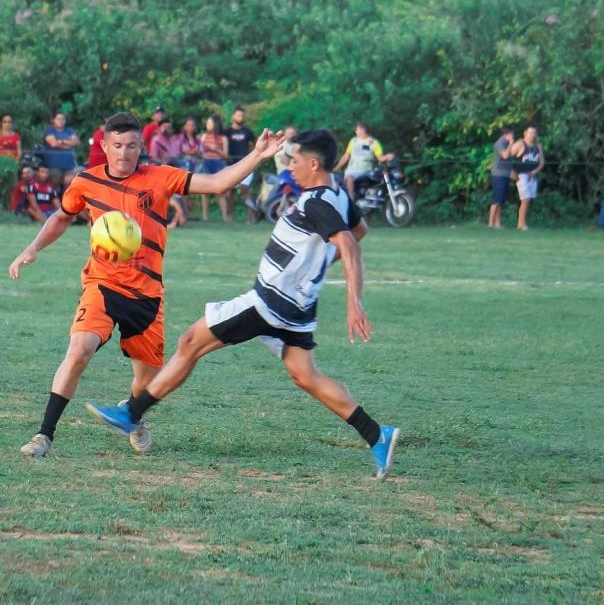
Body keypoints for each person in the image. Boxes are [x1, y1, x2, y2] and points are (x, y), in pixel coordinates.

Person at [86, 129, 400, 480]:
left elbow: (349, 243)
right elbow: (359, 232)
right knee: (305, 375)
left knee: (190, 342)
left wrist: (353, 301)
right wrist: (315, 266)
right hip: (298, 307)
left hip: (270, 302)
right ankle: (377, 434)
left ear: (314, 163)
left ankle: (132, 411)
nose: (290, 167)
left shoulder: (317, 202)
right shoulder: (339, 193)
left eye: (294, 161)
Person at [7, 112, 285, 459]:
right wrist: (32, 248)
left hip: (147, 295)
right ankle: (43, 436)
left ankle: (134, 417)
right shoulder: (86, 182)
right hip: (102, 285)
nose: (125, 153)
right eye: (118, 146)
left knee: (147, 384)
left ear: (142, 146)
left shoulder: (161, 178)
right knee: (79, 350)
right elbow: (62, 216)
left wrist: (257, 155)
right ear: (105, 146)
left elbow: (218, 184)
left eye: (132, 146)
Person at [335, 123, 393, 201]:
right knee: (349, 178)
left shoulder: (374, 142)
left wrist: (387, 157)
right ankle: (351, 202)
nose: (355, 131)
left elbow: (380, 158)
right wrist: (337, 167)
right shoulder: (353, 141)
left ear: (363, 130)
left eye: (357, 129)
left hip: (368, 170)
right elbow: (346, 156)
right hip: (353, 170)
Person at [225, 107, 257, 222]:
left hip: (246, 165)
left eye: (242, 116)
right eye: (238, 115)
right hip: (231, 166)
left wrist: (252, 157)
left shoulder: (248, 131)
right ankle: (230, 217)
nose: (241, 118)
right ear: (233, 116)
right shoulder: (227, 132)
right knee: (229, 191)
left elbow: (256, 145)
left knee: (245, 189)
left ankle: (251, 217)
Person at [510, 125, 545, 231]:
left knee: (528, 199)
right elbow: (507, 158)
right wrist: (511, 172)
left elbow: (542, 162)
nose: (532, 135)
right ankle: (521, 224)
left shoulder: (537, 146)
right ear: (525, 133)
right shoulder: (520, 144)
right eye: (530, 133)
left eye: (534, 133)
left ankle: (521, 223)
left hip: (532, 175)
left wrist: (534, 171)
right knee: (525, 199)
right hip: (521, 174)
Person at [199, 114, 230, 221]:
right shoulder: (204, 137)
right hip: (206, 162)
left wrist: (215, 149)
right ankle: (205, 217)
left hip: (218, 163)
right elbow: (200, 151)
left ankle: (225, 217)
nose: (207, 125)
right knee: (204, 191)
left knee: (220, 191)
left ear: (215, 124)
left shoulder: (223, 138)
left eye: (209, 123)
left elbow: (226, 155)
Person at [259, 124, 297, 205]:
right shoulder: (281, 145)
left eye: (293, 134)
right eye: (289, 134)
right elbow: (285, 160)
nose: (292, 136)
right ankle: (267, 204)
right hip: (284, 175)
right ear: (285, 134)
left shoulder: (296, 145)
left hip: (294, 175)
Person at [487, 127, 515, 229]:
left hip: (505, 174)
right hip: (498, 174)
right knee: (496, 199)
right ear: (505, 135)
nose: (513, 137)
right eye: (511, 135)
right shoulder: (500, 143)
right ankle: (490, 223)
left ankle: (497, 223)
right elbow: (505, 155)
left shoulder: (507, 144)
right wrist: (511, 143)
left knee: (501, 201)